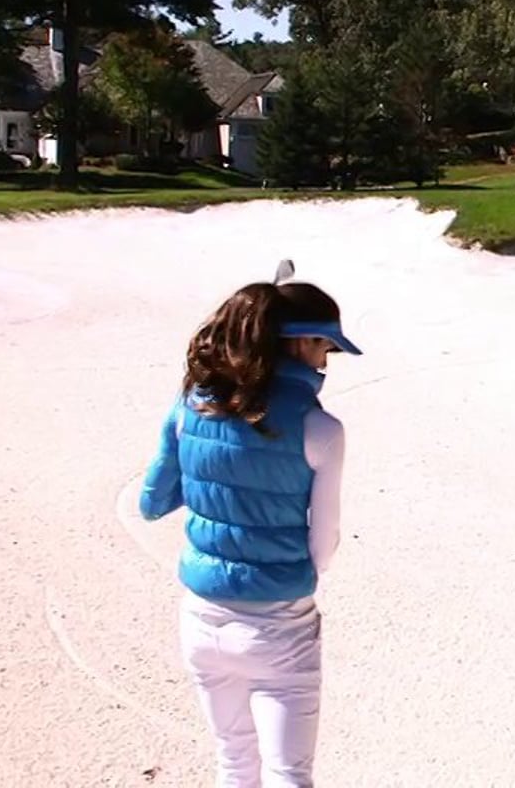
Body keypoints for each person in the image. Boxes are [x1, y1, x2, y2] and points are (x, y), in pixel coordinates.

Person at [139, 266, 360, 788]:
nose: (327, 362)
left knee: (234, 763)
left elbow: (152, 502)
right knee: (289, 775)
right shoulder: (321, 427)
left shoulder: (191, 405)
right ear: (305, 342)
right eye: (326, 350)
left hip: (200, 620)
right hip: (279, 626)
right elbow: (322, 546)